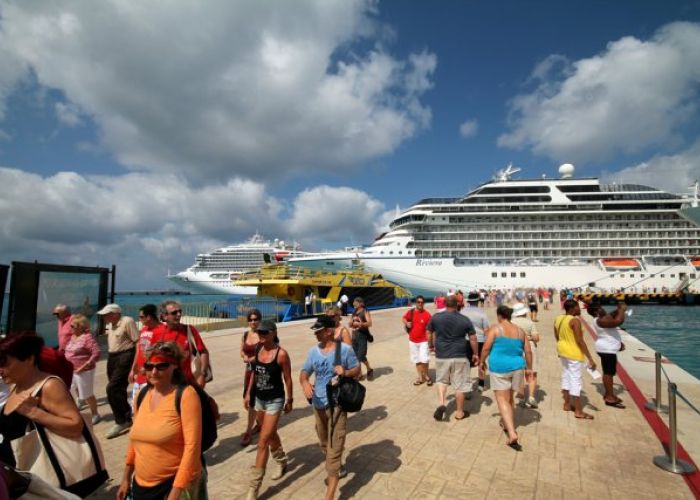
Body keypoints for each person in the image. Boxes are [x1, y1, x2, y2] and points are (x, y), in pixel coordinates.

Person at [117, 342, 204, 500]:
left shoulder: (186, 396)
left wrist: (176, 492)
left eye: (161, 366)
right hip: (140, 486)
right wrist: (125, 478)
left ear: (174, 366)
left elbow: (192, 448)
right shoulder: (141, 395)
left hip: (173, 485)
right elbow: (134, 441)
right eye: (149, 367)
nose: (154, 372)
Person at [0, 332, 84, 469]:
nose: (0, 370)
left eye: (4, 364)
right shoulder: (15, 386)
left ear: (29, 359)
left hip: (43, 474)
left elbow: (75, 426)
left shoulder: (49, 386)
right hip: (17, 470)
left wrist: (34, 412)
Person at [300, 315, 360, 500]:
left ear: (328, 331)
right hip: (318, 405)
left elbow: (357, 370)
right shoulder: (313, 352)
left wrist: (346, 371)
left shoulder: (344, 350)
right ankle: (335, 465)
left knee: (334, 449)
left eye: (318, 331)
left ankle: (330, 494)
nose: (316, 334)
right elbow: (304, 372)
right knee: (324, 443)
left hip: (337, 406)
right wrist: (304, 383)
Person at [244, 320, 293, 499]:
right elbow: (255, 374)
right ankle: (281, 461)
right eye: (260, 333)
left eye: (265, 333)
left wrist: (290, 399)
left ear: (273, 333)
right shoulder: (257, 350)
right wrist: (249, 394)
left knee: (262, 442)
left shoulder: (281, 354)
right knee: (270, 434)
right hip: (259, 400)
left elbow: (287, 378)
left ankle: (254, 487)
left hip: (275, 400)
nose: (261, 336)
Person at [481, 305, 532, 451]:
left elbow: (486, 347)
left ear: (499, 316)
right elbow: (528, 352)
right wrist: (529, 368)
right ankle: (506, 421)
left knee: (501, 399)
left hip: (499, 367)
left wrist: (482, 361)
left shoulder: (496, 329)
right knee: (509, 397)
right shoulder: (520, 331)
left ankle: (512, 432)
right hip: (517, 367)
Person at [427, 295, 477, 421]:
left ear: (445, 304)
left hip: (442, 355)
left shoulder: (436, 317)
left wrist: (431, 345)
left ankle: (442, 404)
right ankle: (459, 413)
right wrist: (475, 353)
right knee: (460, 385)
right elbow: (473, 338)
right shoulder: (465, 319)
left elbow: (430, 333)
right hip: (460, 355)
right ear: (457, 305)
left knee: (441, 381)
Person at [99, 303, 139, 439]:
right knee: (118, 389)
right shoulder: (111, 324)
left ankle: (121, 421)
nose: (104, 317)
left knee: (112, 388)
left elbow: (137, 342)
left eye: (106, 314)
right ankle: (127, 417)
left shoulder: (127, 321)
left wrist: (134, 366)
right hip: (112, 357)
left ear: (115, 313)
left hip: (125, 355)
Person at [152, 300, 210, 388]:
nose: (179, 314)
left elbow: (203, 352)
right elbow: (152, 358)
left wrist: (202, 375)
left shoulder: (189, 330)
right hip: (166, 383)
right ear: (165, 316)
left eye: (180, 311)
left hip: (189, 382)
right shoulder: (157, 333)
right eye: (174, 313)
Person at [555, 300, 597, 419]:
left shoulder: (559, 319)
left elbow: (557, 336)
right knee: (575, 380)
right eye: (578, 307)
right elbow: (580, 341)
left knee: (566, 376)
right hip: (574, 353)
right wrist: (590, 358)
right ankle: (578, 411)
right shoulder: (575, 321)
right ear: (572, 308)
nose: (580, 309)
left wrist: (561, 347)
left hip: (563, 351)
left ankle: (567, 404)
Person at [63, 313, 102, 424]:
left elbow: (96, 353)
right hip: (71, 370)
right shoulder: (74, 337)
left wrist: (84, 366)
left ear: (81, 327)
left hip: (84, 371)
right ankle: (73, 412)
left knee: (87, 394)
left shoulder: (87, 338)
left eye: (73, 326)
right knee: (70, 390)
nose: (71, 328)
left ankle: (95, 414)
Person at [587, 302, 627, 409]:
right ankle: (609, 397)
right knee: (608, 373)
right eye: (601, 308)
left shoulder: (602, 318)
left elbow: (611, 315)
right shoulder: (600, 320)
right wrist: (622, 310)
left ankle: (609, 394)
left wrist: (617, 309)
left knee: (610, 372)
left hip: (607, 348)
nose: (603, 309)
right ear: (596, 311)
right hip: (607, 349)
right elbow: (618, 321)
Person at [129, 304, 161, 408]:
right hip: (140, 374)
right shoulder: (144, 329)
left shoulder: (161, 330)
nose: (139, 319)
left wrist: (147, 366)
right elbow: (139, 349)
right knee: (135, 404)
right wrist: (133, 368)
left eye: (141, 317)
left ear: (149, 317)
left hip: (150, 374)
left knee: (147, 405)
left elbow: (159, 353)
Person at [240, 309, 262, 446]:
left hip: (259, 372)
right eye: (251, 319)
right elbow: (242, 350)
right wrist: (245, 357)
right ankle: (259, 423)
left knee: (251, 401)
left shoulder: (263, 334)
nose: (253, 322)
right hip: (248, 371)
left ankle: (248, 431)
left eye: (255, 319)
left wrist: (254, 358)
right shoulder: (245, 334)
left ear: (259, 320)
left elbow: (269, 351)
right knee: (248, 399)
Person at [511, 303, 539, 408]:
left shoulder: (511, 322)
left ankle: (521, 394)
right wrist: (529, 338)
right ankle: (531, 397)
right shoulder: (529, 322)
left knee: (519, 372)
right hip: (530, 347)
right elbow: (536, 338)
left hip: (515, 347)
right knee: (532, 372)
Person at [460, 293, 490, 392]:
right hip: (480, 340)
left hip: (466, 340)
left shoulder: (463, 311)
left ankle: (467, 386)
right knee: (481, 362)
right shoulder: (482, 313)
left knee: (466, 363)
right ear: (477, 301)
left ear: (469, 302)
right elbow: (486, 330)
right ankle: (481, 384)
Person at [402, 296, 432, 386]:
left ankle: (426, 376)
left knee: (424, 359)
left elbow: (431, 329)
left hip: (424, 341)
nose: (420, 304)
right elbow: (403, 318)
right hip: (413, 341)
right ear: (415, 303)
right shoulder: (410, 312)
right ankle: (420, 377)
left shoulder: (427, 315)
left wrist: (431, 342)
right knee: (417, 360)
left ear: (424, 303)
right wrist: (406, 323)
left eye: (422, 302)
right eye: (418, 302)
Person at [349, 297, 373, 381]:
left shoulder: (365, 311)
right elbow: (349, 324)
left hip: (362, 336)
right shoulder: (354, 312)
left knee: (360, 356)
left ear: (361, 303)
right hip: (354, 337)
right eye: (353, 303)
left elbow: (370, 323)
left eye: (355, 303)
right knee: (358, 357)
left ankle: (361, 372)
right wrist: (351, 322)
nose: (354, 304)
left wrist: (360, 324)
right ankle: (364, 372)